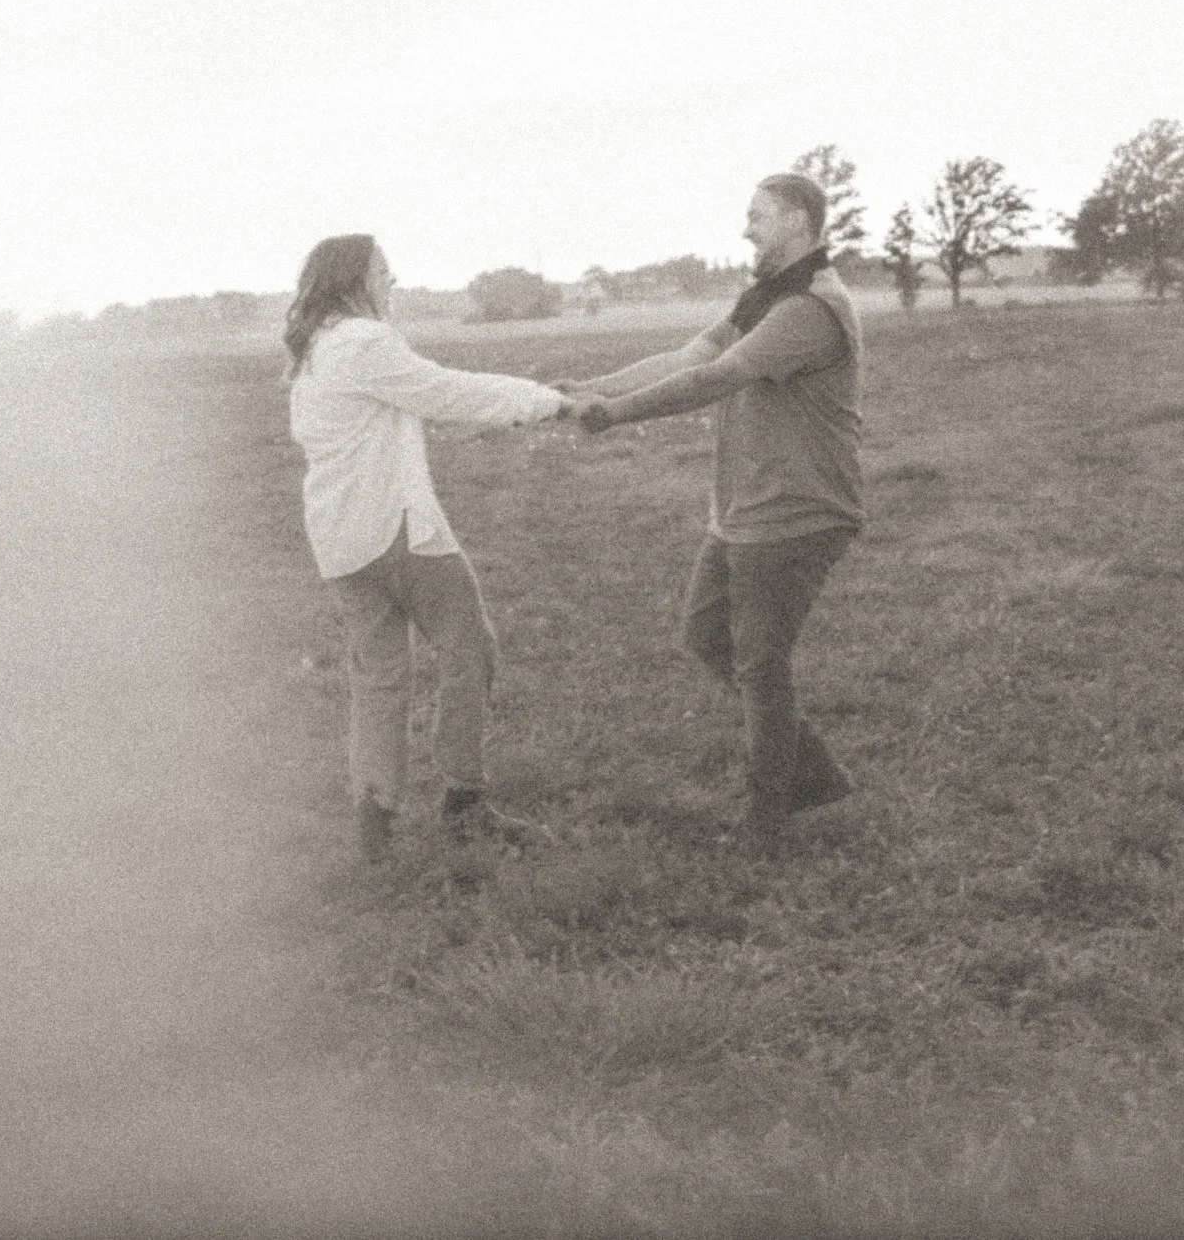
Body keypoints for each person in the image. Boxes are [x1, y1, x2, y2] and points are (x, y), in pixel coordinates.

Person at [562, 173, 862, 851]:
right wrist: (590, 387)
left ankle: (767, 819)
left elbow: (715, 378)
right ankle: (811, 774)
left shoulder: (810, 309)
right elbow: (690, 353)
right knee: (706, 634)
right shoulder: (765, 298)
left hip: (796, 510)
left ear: (795, 220)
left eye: (757, 216)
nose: (745, 228)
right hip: (745, 508)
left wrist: (614, 415)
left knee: (759, 663)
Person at [285, 233, 577, 863]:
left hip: (341, 545)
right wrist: (542, 401)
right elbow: (444, 392)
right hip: (399, 532)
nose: (392, 281)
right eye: (383, 272)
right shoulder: (363, 341)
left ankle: (376, 826)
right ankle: (466, 804)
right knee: (470, 650)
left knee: (379, 681)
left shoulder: (314, 351)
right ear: (354, 280)